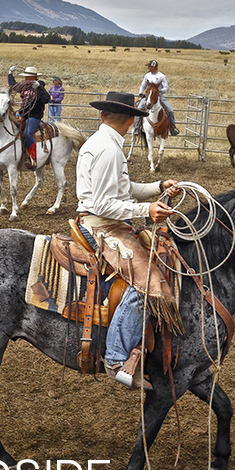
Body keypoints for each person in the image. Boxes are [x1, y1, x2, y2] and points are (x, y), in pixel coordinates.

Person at [75, 91, 182, 388]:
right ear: (132, 122)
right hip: (102, 226)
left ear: (103, 116)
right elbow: (103, 204)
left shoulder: (103, 143)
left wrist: (157, 187)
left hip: (104, 220)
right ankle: (117, 357)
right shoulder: (109, 150)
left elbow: (124, 188)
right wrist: (145, 210)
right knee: (147, 279)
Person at [7, 66, 47, 168]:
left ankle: (33, 157)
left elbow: (46, 99)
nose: (26, 79)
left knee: (27, 133)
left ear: (34, 78)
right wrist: (10, 73)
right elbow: (13, 85)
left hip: (34, 115)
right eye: (26, 77)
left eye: (28, 77)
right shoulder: (24, 86)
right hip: (22, 113)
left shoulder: (40, 87)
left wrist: (39, 88)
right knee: (9, 126)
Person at [138, 59, 179, 136]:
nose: (148, 68)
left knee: (170, 110)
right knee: (139, 108)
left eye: (149, 66)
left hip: (159, 96)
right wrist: (140, 92)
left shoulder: (161, 76)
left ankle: (172, 127)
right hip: (148, 96)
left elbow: (166, 88)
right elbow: (143, 85)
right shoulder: (147, 75)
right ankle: (137, 127)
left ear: (153, 66)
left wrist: (159, 91)